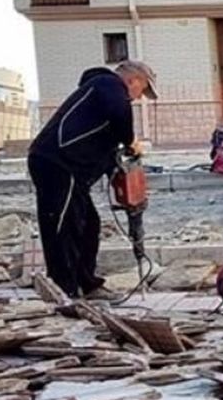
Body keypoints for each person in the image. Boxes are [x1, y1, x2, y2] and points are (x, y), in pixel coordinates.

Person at [28, 60, 156, 299]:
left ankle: (88, 284)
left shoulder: (99, 98)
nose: (138, 98)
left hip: (72, 169)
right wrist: (129, 141)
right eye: (142, 90)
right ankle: (64, 290)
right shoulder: (107, 84)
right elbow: (120, 111)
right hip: (56, 164)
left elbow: (102, 142)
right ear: (133, 81)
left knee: (88, 225)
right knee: (62, 226)